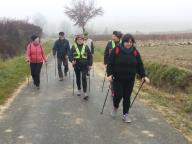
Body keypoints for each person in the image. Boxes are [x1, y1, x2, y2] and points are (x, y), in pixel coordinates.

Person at [107, 34, 150, 123]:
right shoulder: (117, 50)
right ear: (123, 41)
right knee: (118, 95)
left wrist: (143, 76)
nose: (129, 44)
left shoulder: (135, 52)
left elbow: (139, 64)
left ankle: (125, 115)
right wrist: (109, 74)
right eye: (127, 41)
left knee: (127, 96)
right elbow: (110, 63)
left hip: (130, 79)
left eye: (131, 42)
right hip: (118, 78)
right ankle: (115, 107)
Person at [69, 34, 92, 100]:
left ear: (83, 40)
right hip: (76, 65)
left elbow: (90, 57)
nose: (80, 40)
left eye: (81, 39)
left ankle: (85, 92)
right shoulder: (73, 47)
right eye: (78, 39)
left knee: (84, 77)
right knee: (78, 78)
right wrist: (72, 60)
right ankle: (79, 89)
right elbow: (70, 55)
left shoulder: (86, 47)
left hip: (85, 66)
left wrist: (90, 64)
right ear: (76, 40)